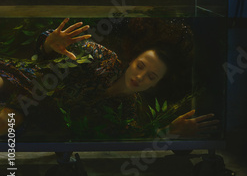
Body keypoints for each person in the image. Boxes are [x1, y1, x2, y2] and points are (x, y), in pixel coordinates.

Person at [0, 18, 219, 139]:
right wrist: (50, 42)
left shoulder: (128, 109)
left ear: (155, 83)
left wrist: (171, 130)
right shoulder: (103, 57)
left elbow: (132, 135)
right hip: (20, 79)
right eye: (140, 66)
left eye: (150, 76)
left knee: (5, 123)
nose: (140, 76)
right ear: (132, 60)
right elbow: (56, 46)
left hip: (32, 114)